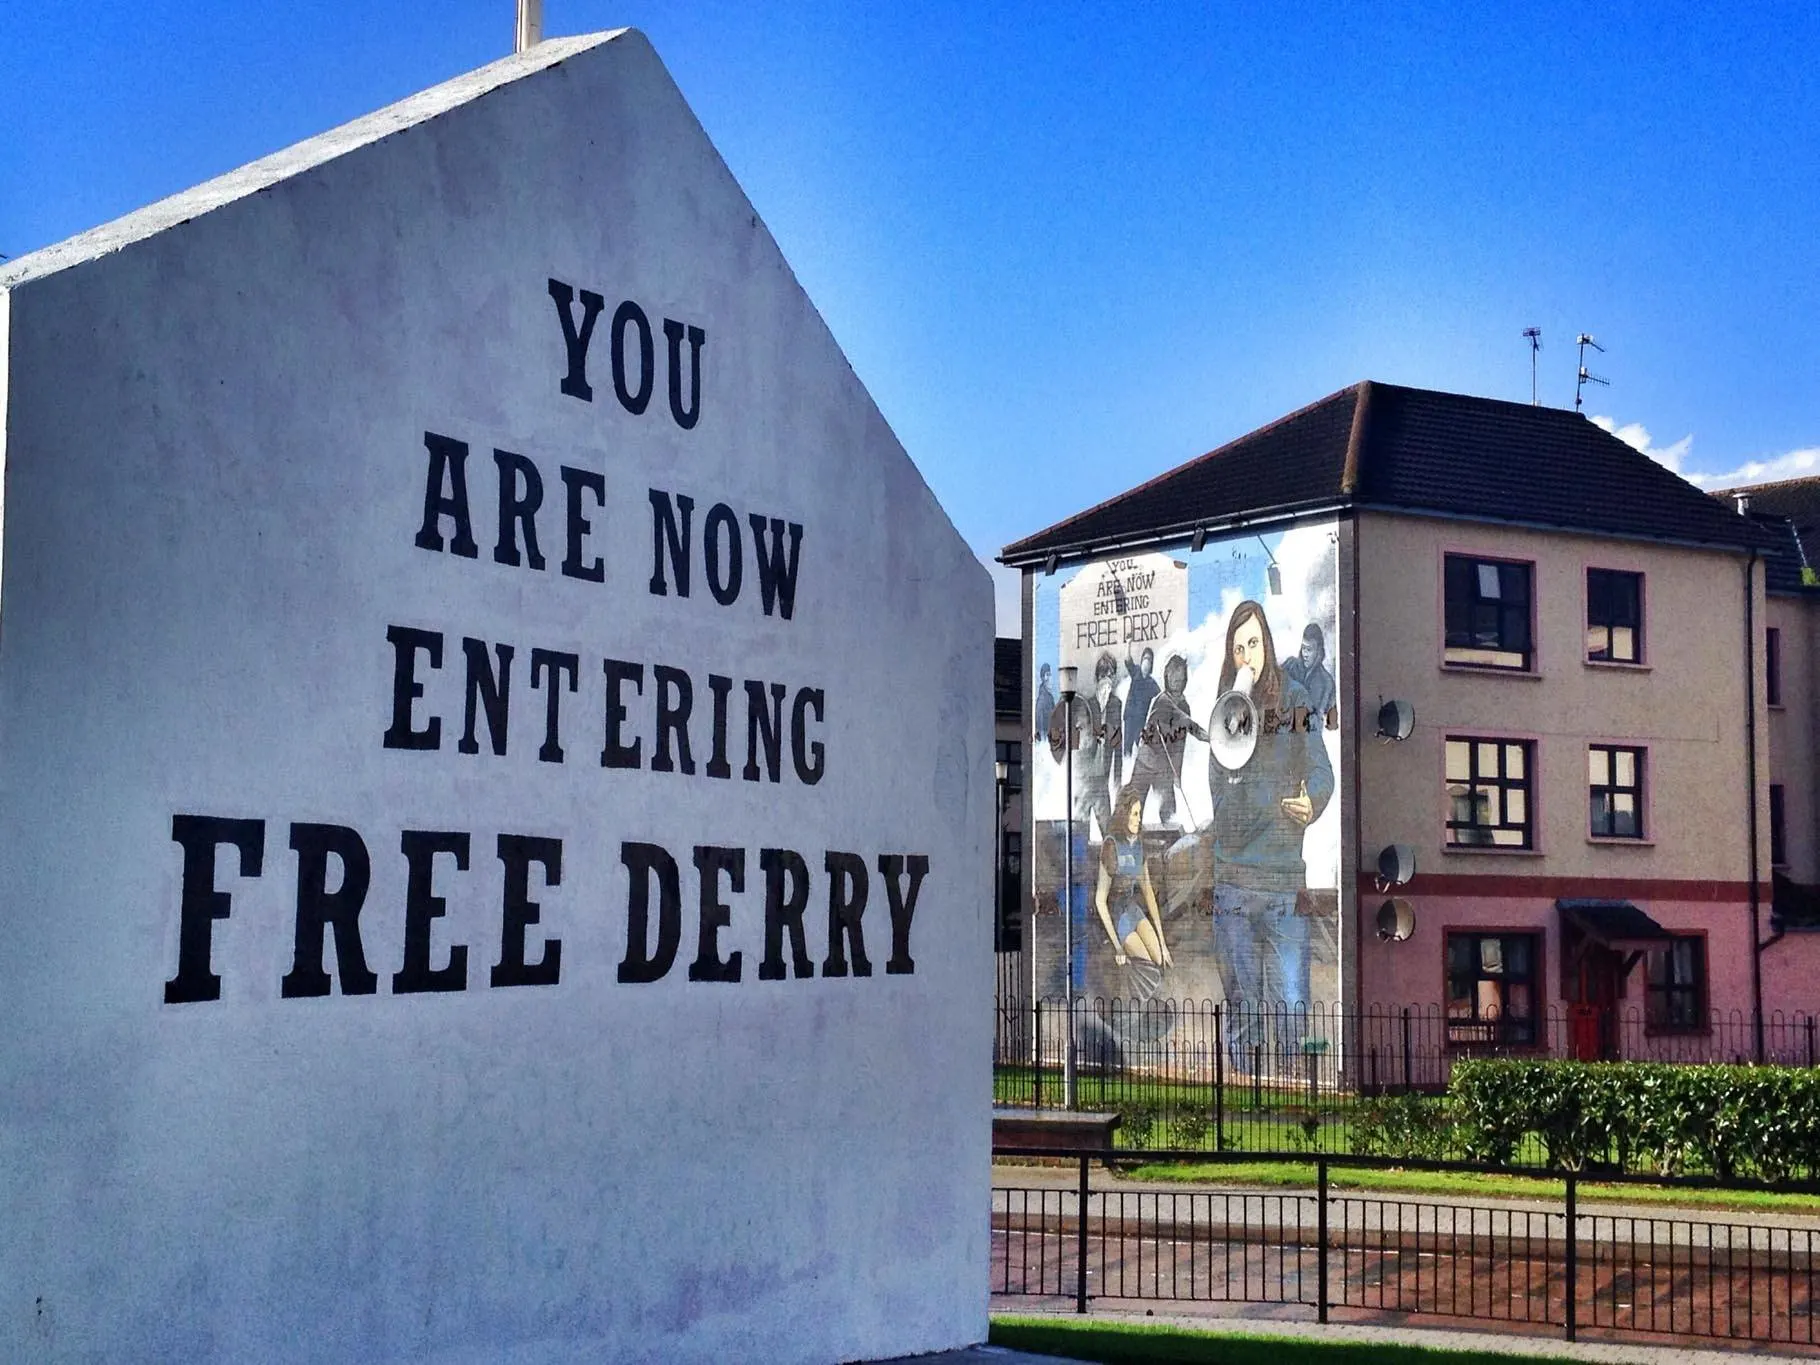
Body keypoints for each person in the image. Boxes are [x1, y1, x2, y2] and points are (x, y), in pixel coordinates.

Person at [1206, 601, 1334, 1014]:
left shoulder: (1295, 700)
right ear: (1231, 656)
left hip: (1283, 883)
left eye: (1254, 643)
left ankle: (1293, 1080)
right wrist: (1235, 761)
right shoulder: (1225, 713)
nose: (1247, 657)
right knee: (1243, 1010)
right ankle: (1244, 1080)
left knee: (1293, 1007)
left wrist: (1312, 801)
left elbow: (1321, 768)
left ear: (1268, 646)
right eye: (1238, 649)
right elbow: (1225, 819)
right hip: (1233, 886)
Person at [1095, 786, 1171, 995]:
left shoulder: (1139, 845)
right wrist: (1118, 946)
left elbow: (1147, 891)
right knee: (1147, 967)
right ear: (1124, 814)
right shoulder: (1111, 845)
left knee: (1159, 960)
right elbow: (1100, 900)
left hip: (1131, 908)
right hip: (1116, 914)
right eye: (1135, 813)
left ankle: (1151, 1004)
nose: (1138, 819)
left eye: (1140, 814)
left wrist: (1162, 942)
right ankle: (1140, 1009)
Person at [1124, 654, 1206, 827]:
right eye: (1173, 673)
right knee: (1132, 807)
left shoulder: (1184, 706)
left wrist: (1177, 774)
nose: (1177, 678)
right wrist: (1203, 735)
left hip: (1164, 768)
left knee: (1169, 813)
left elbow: (1180, 746)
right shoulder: (1162, 700)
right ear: (1167, 675)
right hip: (1145, 763)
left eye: (1180, 673)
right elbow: (1185, 723)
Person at [1072, 653, 1120, 839]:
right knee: (1078, 833)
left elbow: (1118, 744)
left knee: (1109, 835)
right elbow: (1078, 744)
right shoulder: (1087, 705)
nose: (1106, 681)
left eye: (1110, 675)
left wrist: (1117, 779)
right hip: (1084, 779)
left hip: (1102, 781)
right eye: (1102, 675)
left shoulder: (1116, 705)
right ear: (1096, 678)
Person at [1282, 623, 1338, 730]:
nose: (1305, 654)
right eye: (1303, 648)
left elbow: (1332, 725)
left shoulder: (1327, 683)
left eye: (1309, 650)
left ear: (1318, 651)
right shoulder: (1289, 666)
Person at [1121, 649, 1160, 759]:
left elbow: (1161, 697)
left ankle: (1138, 768)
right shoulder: (1136, 672)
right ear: (1142, 660)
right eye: (1145, 658)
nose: (1146, 662)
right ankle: (1127, 766)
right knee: (1127, 745)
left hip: (1141, 720)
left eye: (1149, 660)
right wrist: (1128, 645)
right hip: (1129, 716)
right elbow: (1128, 661)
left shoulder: (1152, 683)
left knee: (1140, 745)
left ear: (1151, 664)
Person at [1033, 663, 1056, 744]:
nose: (1050, 678)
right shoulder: (1042, 701)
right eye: (1048, 675)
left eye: (1050, 675)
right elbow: (1041, 728)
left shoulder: (1050, 698)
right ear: (1043, 678)